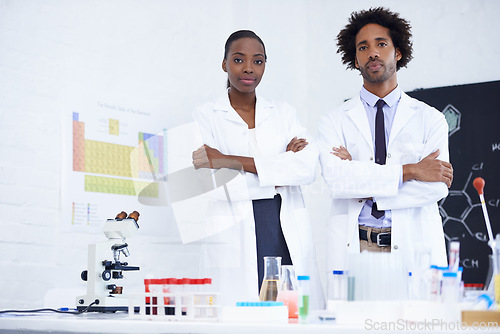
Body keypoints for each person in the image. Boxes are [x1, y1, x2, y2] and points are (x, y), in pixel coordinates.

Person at [192, 30, 324, 308]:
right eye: (239, 59)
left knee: (288, 311)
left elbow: (307, 168)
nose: (249, 68)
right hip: (234, 228)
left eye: (258, 61)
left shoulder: (283, 113)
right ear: (224, 63)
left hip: (282, 224)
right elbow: (209, 183)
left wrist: (230, 160)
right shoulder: (205, 115)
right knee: (242, 313)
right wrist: (277, 172)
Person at [318, 8, 453, 274]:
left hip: (413, 246)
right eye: (363, 47)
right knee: (352, 317)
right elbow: (337, 181)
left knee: (414, 317)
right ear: (355, 60)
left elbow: (435, 187)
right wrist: (411, 171)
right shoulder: (333, 120)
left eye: (381, 44)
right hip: (356, 245)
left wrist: (360, 177)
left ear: (397, 52)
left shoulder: (431, 119)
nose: (373, 53)